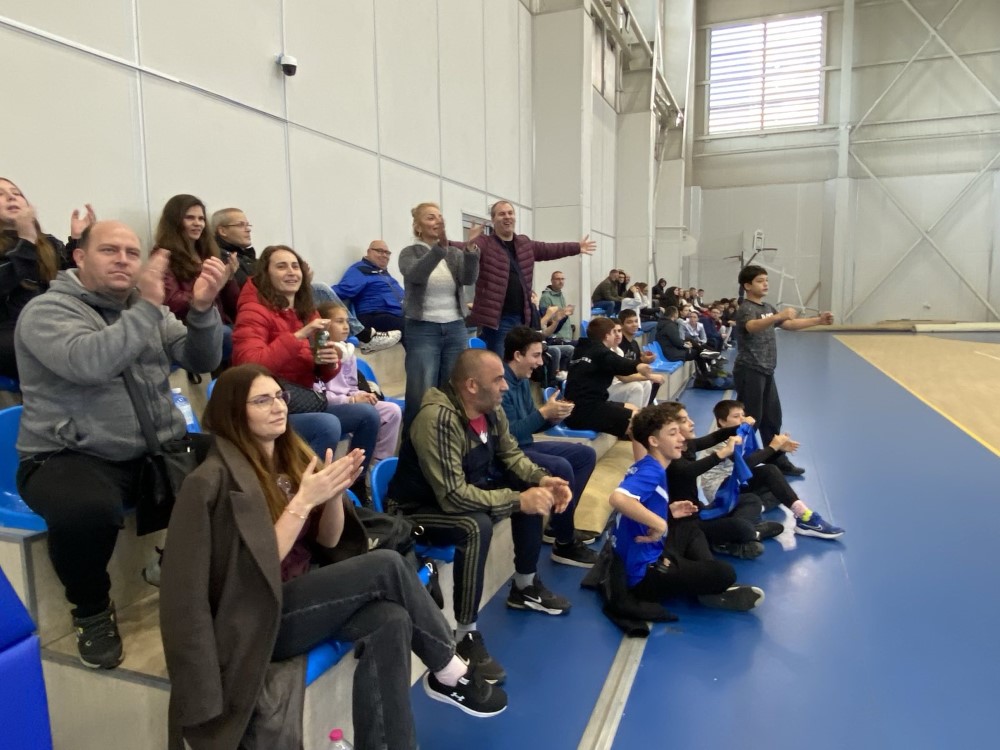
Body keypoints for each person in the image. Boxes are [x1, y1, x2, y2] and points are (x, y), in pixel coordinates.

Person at [159, 365, 506, 750]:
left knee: (390, 619)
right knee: (386, 565)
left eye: (280, 397)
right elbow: (238, 576)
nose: (278, 406)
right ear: (233, 413)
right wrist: (303, 502)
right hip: (257, 616)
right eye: (262, 401)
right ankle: (448, 669)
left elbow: (329, 540)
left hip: (303, 596)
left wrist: (334, 497)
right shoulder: (208, 481)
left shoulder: (290, 457)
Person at [14, 220, 226, 668]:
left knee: (242, 457)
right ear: (79, 257)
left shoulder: (147, 309)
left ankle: (179, 565)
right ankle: (90, 611)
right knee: (84, 511)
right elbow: (91, 363)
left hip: (153, 448)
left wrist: (203, 309)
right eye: (110, 250)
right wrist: (148, 305)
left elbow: (202, 358)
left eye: (132, 253)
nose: (124, 260)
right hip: (69, 454)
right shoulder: (46, 312)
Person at [386, 349, 575, 684]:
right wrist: (518, 501)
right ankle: (465, 636)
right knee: (476, 525)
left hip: (458, 495)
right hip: (416, 512)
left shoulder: (490, 409)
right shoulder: (437, 419)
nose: (506, 386)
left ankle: (524, 586)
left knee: (527, 487)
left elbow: (511, 455)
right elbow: (452, 496)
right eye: (498, 379)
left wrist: (542, 480)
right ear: (472, 386)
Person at [232, 245, 379, 502]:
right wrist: (297, 336)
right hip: (269, 408)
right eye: (281, 266)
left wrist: (327, 362)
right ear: (266, 273)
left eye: (295, 266)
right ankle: (304, 499)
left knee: (368, 415)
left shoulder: (305, 310)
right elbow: (249, 365)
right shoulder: (253, 310)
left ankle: (354, 488)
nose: (291, 272)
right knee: (327, 424)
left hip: (303, 401)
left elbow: (321, 374)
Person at [609, 403, 765, 612]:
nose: (681, 438)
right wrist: (660, 523)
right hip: (644, 574)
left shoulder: (650, 465)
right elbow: (618, 498)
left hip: (640, 555)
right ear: (654, 441)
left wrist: (668, 512)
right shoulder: (652, 472)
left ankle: (705, 581)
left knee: (689, 528)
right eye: (673, 433)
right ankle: (711, 592)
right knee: (725, 573)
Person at [501, 326, 599, 566]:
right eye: (535, 355)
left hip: (526, 446)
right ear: (517, 355)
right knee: (562, 466)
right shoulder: (500, 384)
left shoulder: (522, 380)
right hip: (510, 453)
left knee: (585, 454)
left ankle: (558, 525)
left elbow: (530, 426)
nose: (540, 361)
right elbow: (508, 435)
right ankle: (565, 543)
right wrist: (544, 412)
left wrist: (553, 418)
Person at [733, 265, 834, 476]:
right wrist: (776, 316)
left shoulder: (767, 307)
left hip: (767, 370)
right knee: (751, 420)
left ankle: (776, 459)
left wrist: (818, 320)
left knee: (772, 418)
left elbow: (789, 324)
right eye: (760, 281)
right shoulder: (746, 308)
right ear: (747, 285)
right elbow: (751, 326)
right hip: (750, 370)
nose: (765, 284)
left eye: (766, 280)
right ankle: (742, 463)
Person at [701, 399, 844, 540]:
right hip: (720, 490)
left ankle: (751, 509)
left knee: (779, 490)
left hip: (734, 481)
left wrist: (779, 449)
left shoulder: (740, 435)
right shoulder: (721, 441)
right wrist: (772, 447)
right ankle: (805, 517)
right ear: (722, 422)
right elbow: (746, 464)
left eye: (743, 415)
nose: (743, 419)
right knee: (770, 472)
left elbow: (757, 457)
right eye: (736, 416)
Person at [470, 200, 594, 355]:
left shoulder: (524, 243)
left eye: (510, 213)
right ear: (493, 219)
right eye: (501, 214)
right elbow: (459, 249)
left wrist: (576, 247)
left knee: (522, 361)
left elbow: (550, 249)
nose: (507, 217)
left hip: (523, 317)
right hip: (498, 321)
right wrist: (466, 245)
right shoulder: (485, 242)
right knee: (502, 363)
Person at [398, 202, 481, 429]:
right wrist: (438, 250)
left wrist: (470, 250)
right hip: (423, 329)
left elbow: (468, 278)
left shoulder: (453, 253)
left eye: (439, 217)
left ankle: (447, 435)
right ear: (418, 227)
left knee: (453, 388)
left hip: (455, 327)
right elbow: (416, 275)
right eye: (430, 217)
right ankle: (414, 441)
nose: (438, 221)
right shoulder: (409, 253)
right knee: (421, 391)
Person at [0, 177, 83, 379]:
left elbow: (71, 282)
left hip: (53, 325)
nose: (11, 197)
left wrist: (78, 241)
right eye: (1, 194)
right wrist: (27, 241)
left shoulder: (48, 244)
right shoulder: (27, 243)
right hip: (10, 333)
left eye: (17, 193)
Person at [155, 194, 239, 367]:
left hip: (217, 323)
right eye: (190, 218)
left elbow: (233, 306)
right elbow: (170, 302)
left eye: (201, 219)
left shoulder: (209, 253)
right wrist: (201, 295)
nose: (197, 223)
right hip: (188, 328)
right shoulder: (163, 256)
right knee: (227, 335)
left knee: (246, 333)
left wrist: (229, 279)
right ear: (175, 221)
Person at [314, 300, 401, 466]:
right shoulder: (319, 355)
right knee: (367, 414)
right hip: (331, 407)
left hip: (350, 402)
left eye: (347, 321)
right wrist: (351, 400)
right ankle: (355, 468)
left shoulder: (349, 353)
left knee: (392, 411)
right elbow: (319, 396)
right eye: (339, 321)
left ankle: (379, 464)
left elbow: (351, 386)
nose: (346, 327)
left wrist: (361, 395)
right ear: (324, 325)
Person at [563, 317, 656, 438]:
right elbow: (619, 363)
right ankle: (640, 448)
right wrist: (638, 365)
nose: (616, 335)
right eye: (613, 332)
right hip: (584, 412)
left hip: (580, 407)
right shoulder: (600, 352)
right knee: (638, 421)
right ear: (607, 336)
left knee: (633, 408)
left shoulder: (582, 349)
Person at [333, 240, 405, 335]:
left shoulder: (385, 275)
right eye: (380, 251)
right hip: (374, 316)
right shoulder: (360, 270)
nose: (384, 255)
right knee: (411, 328)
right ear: (369, 252)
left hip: (396, 316)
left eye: (387, 253)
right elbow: (342, 291)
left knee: (418, 324)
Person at [606, 320, 662, 409]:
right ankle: (633, 415)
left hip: (617, 385)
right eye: (614, 331)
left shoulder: (619, 351)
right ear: (607, 334)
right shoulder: (607, 352)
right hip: (606, 388)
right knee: (636, 387)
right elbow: (624, 377)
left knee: (646, 383)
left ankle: (641, 413)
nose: (617, 334)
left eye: (619, 331)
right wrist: (650, 376)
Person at [211, 206, 257, 287]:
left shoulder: (245, 257)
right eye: (240, 225)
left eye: (247, 225)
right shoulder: (222, 258)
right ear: (222, 231)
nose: (248, 229)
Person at [537, 270, 573, 340]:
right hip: (556, 337)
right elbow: (546, 322)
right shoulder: (546, 297)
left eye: (562, 279)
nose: (561, 281)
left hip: (566, 336)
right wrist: (564, 313)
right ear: (552, 281)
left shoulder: (560, 295)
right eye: (558, 279)